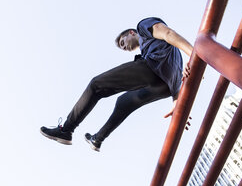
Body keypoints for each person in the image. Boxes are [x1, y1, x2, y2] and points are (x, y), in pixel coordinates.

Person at [40, 17, 192, 152]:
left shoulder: (143, 26)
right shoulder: (162, 52)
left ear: (131, 33)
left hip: (153, 67)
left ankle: (66, 130)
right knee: (124, 102)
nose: (124, 47)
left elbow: (168, 34)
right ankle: (98, 139)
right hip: (165, 87)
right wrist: (178, 105)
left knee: (96, 85)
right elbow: (175, 78)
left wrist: (193, 53)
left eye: (122, 42)